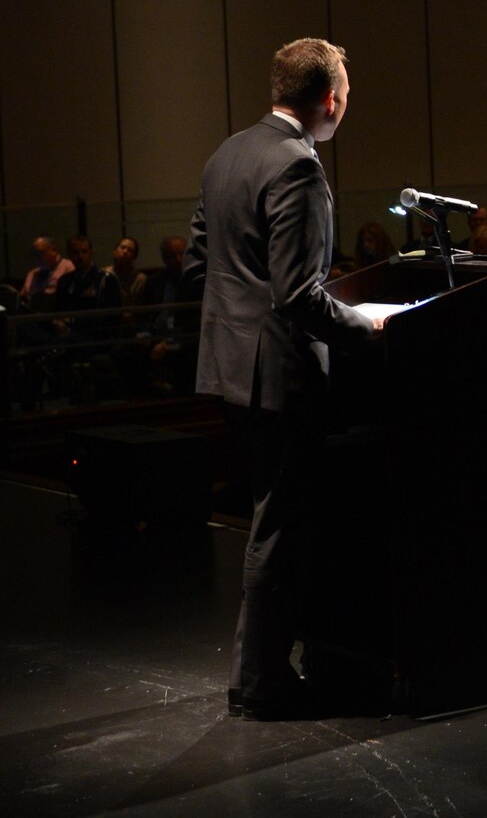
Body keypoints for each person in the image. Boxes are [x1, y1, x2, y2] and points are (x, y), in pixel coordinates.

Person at [183, 37, 380, 721]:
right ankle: (261, 679)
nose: (344, 106)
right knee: (281, 525)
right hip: (280, 375)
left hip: (229, 368)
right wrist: (368, 328)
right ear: (328, 99)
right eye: (346, 96)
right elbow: (299, 292)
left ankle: (268, 667)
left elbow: (197, 269)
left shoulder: (227, 153)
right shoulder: (297, 165)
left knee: (274, 515)